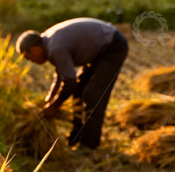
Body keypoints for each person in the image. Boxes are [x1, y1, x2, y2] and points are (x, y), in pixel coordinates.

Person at [15, 17, 128, 149]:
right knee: (78, 91)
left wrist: (54, 105)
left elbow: (69, 82)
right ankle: (76, 135)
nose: (32, 62)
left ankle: (89, 144)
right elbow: (61, 74)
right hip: (96, 51)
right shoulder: (48, 41)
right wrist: (50, 99)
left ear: (35, 50)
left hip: (112, 46)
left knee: (93, 95)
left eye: (30, 59)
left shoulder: (54, 48)